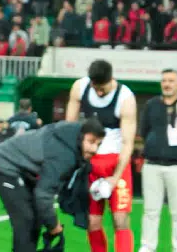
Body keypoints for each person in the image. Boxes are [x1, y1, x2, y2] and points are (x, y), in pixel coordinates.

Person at [0, 119, 107, 252]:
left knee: (36, 218)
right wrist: (54, 226)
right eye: (91, 142)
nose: (94, 149)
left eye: (98, 144)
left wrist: (51, 223)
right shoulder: (64, 155)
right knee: (25, 219)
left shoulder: (70, 139)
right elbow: (43, 195)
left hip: (24, 170)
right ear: (81, 137)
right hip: (4, 165)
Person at [65, 60, 137, 252]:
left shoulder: (125, 98)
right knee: (92, 222)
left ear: (111, 79)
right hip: (91, 163)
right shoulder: (80, 87)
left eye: (102, 88)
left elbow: (128, 143)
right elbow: (68, 127)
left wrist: (115, 177)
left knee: (120, 220)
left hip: (116, 163)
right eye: (95, 87)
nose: (98, 92)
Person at [138, 68, 177, 252]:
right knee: (150, 210)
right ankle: (148, 246)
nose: (167, 84)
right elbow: (144, 131)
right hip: (152, 165)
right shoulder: (151, 105)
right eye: (164, 81)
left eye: (171, 81)